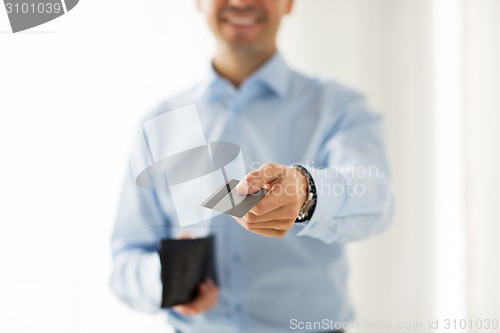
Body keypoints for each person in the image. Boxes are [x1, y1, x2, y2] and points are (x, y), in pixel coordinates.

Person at [110, 0, 393, 332]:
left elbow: (376, 200)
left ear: (289, 3)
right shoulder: (159, 124)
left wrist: (307, 191)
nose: (242, 2)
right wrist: (167, 280)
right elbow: (125, 261)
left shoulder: (340, 108)